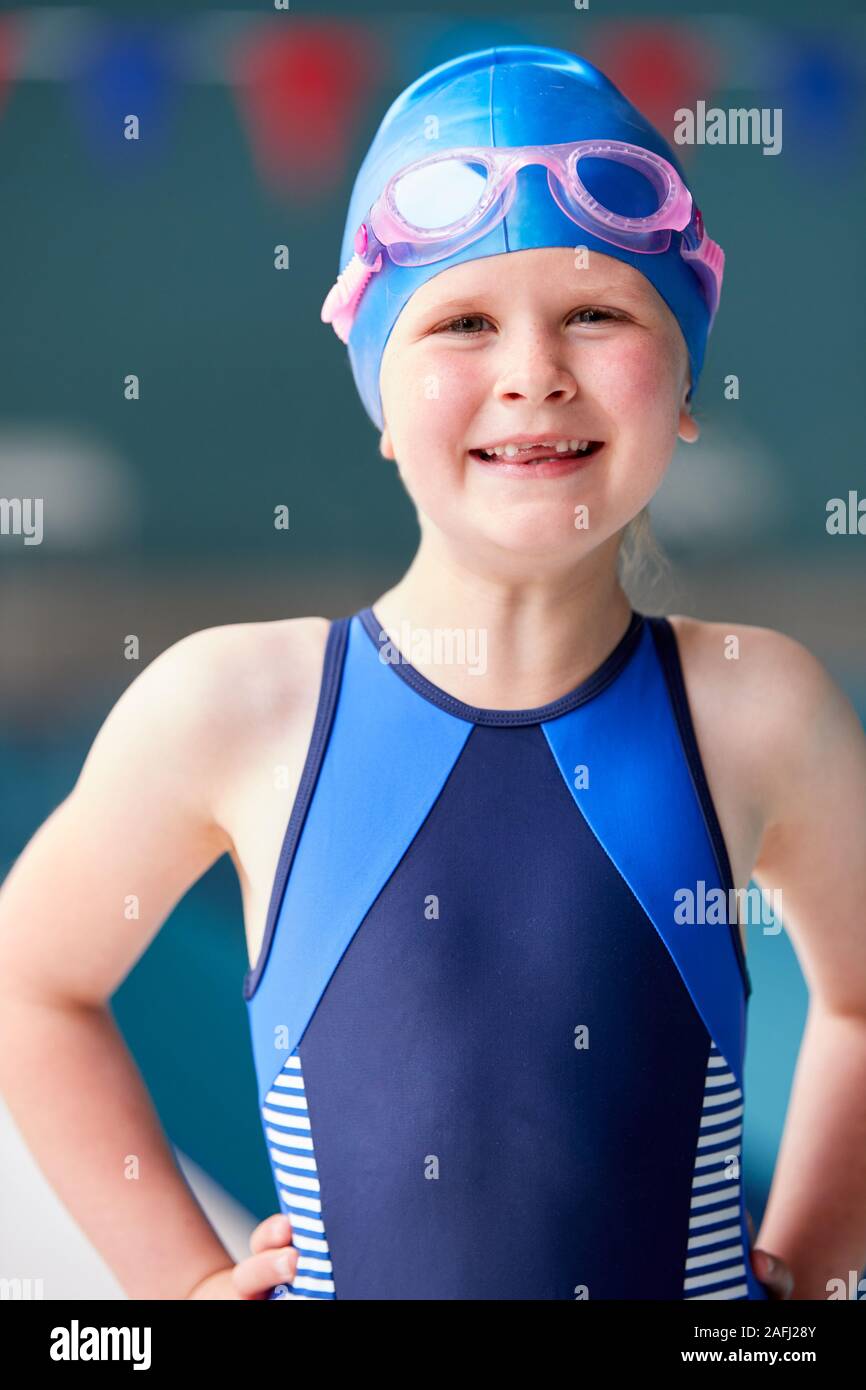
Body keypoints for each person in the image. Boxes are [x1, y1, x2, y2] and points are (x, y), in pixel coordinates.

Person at [0, 44, 864, 1301]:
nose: (532, 372)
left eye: (597, 313)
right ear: (380, 401)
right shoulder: (239, 706)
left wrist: (814, 1267)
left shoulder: (755, 706)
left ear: (683, 382)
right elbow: (29, 983)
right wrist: (174, 1279)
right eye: (462, 321)